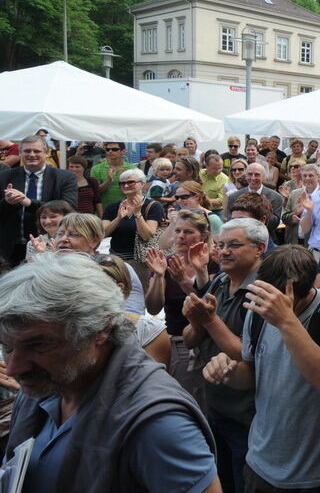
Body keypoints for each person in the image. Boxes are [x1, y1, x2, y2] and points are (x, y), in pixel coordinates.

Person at [0, 254, 221, 492]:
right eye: (8, 347)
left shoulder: (159, 424)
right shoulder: (45, 387)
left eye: (38, 345)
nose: (14, 368)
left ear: (100, 329)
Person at [205, 245, 320, 492]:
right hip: (262, 458)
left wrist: (286, 320)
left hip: (316, 465)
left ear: (294, 290)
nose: (270, 302)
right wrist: (229, 372)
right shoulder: (258, 311)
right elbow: (252, 373)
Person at [185, 218, 266, 493]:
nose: (223, 252)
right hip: (215, 406)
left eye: (233, 245)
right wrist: (196, 321)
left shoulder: (263, 293)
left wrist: (208, 321)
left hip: (247, 414)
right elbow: (190, 339)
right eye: (219, 245)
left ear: (259, 248)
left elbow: (249, 355)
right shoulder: (219, 281)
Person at [146, 209, 213, 413]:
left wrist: (186, 282)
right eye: (178, 231)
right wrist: (158, 277)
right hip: (180, 343)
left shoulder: (215, 261)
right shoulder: (165, 263)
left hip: (212, 341)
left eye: (188, 232)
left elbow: (208, 306)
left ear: (203, 235)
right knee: (188, 401)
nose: (181, 236)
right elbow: (153, 307)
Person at [0, 135, 77, 266]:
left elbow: (68, 208)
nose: (32, 154)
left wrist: (29, 202)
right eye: (27, 151)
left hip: (48, 246)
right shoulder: (4, 177)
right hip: (10, 247)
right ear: (19, 153)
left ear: (47, 153)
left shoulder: (65, 177)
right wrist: (8, 202)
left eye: (37, 151)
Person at [52, 213, 146, 314]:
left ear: (94, 241)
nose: (63, 239)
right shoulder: (50, 270)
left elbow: (133, 314)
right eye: (60, 234)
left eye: (74, 234)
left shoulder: (115, 268)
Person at [95, 253, 171, 366]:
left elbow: (153, 380)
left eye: (96, 284)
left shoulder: (148, 331)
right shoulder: (71, 326)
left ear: (119, 288)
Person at [101, 168, 163, 273]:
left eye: (131, 182)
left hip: (141, 262)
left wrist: (138, 213)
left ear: (142, 184)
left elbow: (147, 235)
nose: (125, 185)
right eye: (122, 183)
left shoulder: (153, 206)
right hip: (116, 260)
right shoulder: (113, 207)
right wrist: (118, 218)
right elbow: (103, 233)